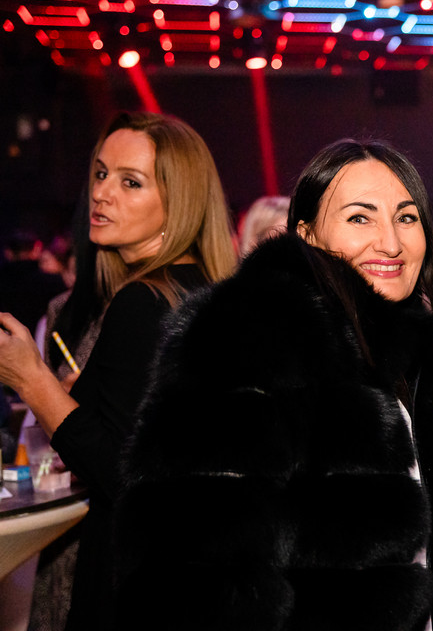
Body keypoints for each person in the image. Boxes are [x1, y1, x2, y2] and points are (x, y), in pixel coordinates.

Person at [115, 140, 433, 630]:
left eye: (406, 218)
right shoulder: (249, 334)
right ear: (307, 233)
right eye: (359, 218)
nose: (391, 242)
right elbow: (196, 565)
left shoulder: (402, 346)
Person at [0, 111, 237, 630]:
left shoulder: (144, 302)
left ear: (179, 202)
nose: (101, 193)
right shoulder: (202, 291)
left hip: (137, 586)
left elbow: (127, 475)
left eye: (131, 182)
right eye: (102, 173)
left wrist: (30, 379)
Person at [0, 229, 68, 334]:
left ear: (8, 253)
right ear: (35, 250)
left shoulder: (4, 281)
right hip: (43, 339)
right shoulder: (52, 282)